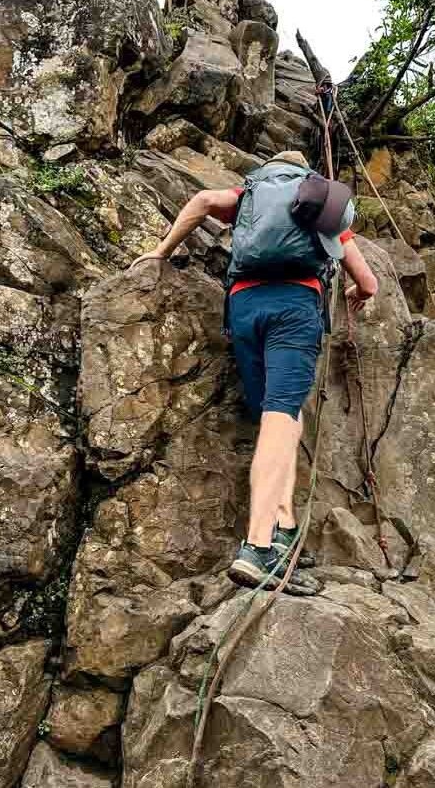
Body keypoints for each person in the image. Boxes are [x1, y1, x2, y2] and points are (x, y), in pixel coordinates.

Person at [131, 151, 378, 596]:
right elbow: (367, 279)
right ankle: (256, 545)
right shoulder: (318, 197)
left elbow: (204, 200)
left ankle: (282, 527)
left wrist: (161, 250)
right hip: (293, 306)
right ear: (303, 172)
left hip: (243, 308)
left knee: (276, 415)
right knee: (282, 417)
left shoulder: (248, 194)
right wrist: (362, 289)